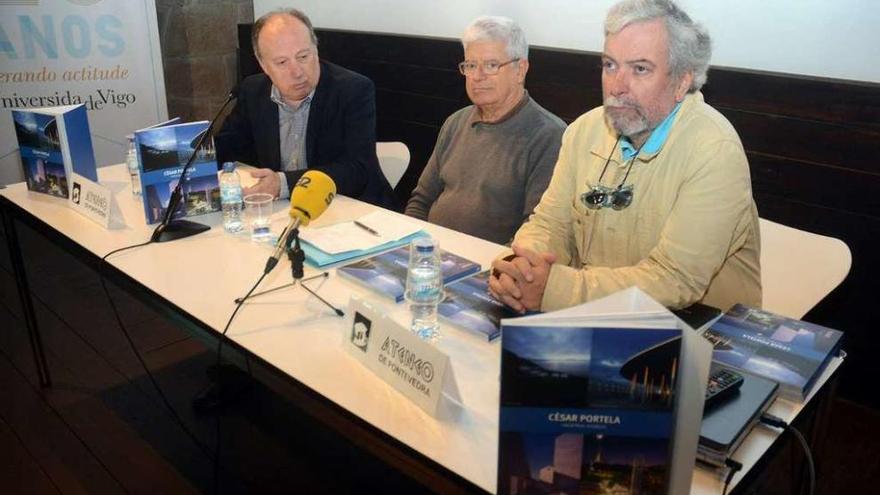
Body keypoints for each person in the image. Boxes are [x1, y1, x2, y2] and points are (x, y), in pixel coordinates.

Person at [489, 0, 761, 313]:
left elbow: (674, 279)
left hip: (699, 335)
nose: (617, 86)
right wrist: (521, 267)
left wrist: (552, 289)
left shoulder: (714, 150)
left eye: (640, 69)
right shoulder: (584, 130)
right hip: (595, 317)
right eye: (610, 65)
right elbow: (551, 225)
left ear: (682, 81)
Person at [404, 16, 565, 245]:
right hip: (430, 254)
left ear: (520, 70)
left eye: (491, 65)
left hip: (490, 268)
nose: (477, 77)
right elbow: (421, 200)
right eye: (470, 65)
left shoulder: (549, 135)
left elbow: (536, 230)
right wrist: (411, 249)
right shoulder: (455, 122)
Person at [215, 8, 395, 208]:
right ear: (264, 65)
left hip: (348, 210)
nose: (297, 72)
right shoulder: (253, 91)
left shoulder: (352, 90)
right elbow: (225, 148)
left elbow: (358, 169)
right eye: (282, 62)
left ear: (316, 50)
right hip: (283, 211)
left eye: (303, 57)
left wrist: (282, 184)